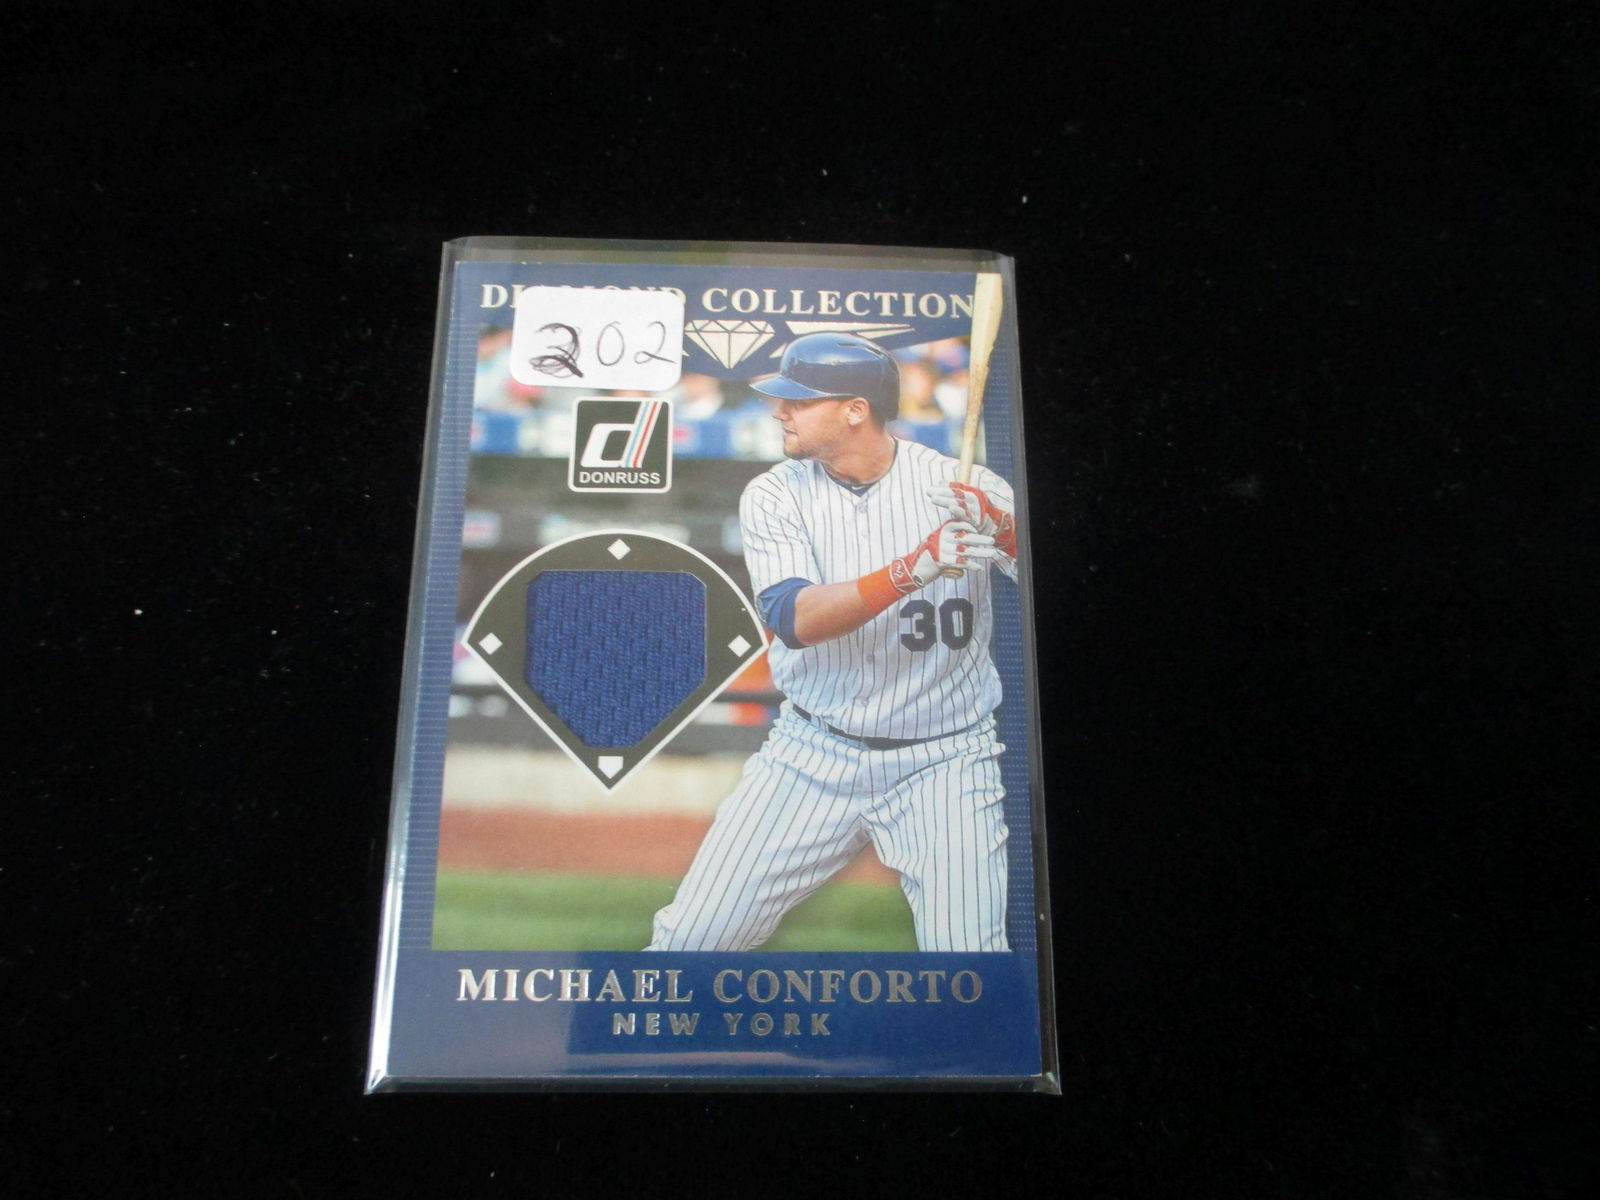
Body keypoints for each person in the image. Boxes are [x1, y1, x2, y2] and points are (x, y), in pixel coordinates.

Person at [647, 333, 1020, 953]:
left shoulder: (964, 485)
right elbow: (796, 618)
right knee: (691, 942)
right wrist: (913, 568)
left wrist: (1002, 529)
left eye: (798, 400)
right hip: (813, 752)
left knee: (970, 964)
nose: (779, 411)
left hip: (946, 759)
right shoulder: (775, 494)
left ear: (855, 409)